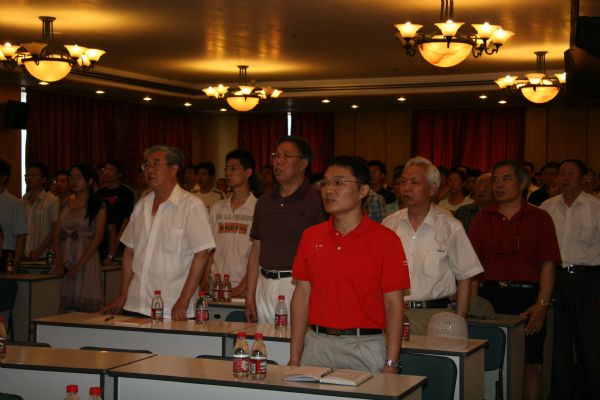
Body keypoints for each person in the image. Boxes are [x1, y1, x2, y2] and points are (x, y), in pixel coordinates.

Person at [290, 155, 409, 373]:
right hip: (317, 344)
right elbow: (301, 296)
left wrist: (391, 363)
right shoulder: (310, 236)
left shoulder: (387, 241)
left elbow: (394, 306)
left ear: (363, 190)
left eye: (338, 182)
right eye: (325, 183)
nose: (328, 190)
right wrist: (295, 356)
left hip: (365, 346)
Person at [469, 159, 560, 400]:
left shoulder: (540, 218)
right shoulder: (482, 218)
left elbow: (548, 264)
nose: (498, 185)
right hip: (489, 297)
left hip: (527, 298)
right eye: (495, 180)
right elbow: (472, 269)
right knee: (486, 364)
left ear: (523, 183)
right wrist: (472, 305)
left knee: (529, 364)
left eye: (506, 179)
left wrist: (542, 304)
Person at [100, 145, 215, 320]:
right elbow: (130, 251)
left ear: (173, 170)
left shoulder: (191, 205)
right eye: (146, 165)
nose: (149, 170)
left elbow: (202, 254)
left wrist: (183, 300)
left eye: (156, 164)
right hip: (136, 303)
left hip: (173, 307)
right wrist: (123, 295)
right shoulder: (141, 205)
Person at [383, 157, 483, 334]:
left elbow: (465, 277)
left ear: (432, 188)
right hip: (393, 313)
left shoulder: (450, 226)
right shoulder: (389, 224)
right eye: (403, 182)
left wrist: (458, 322)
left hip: (437, 315)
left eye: (414, 182)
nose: (406, 188)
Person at [245, 135, 326, 323]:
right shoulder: (264, 201)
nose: (278, 161)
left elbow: (322, 254)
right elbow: (256, 249)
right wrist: (249, 295)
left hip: (297, 286)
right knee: (264, 339)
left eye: (286, 156)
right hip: (264, 285)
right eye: (275, 155)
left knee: (296, 340)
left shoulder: (316, 200)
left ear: (303, 163)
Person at [540, 159, 600, 399]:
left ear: (584, 178)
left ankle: (592, 391)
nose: (564, 177)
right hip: (555, 278)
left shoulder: (596, 207)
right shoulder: (547, 207)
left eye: (570, 173)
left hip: (589, 280)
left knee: (590, 340)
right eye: (561, 173)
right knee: (558, 339)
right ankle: (560, 392)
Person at [205, 149, 258, 297]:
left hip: (244, 287)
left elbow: (259, 253)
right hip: (215, 285)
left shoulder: (258, 207)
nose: (228, 173)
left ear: (248, 172)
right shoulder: (217, 207)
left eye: (233, 168)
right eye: (226, 168)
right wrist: (204, 279)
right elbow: (209, 249)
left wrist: (242, 287)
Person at [53, 164, 106, 312]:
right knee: (64, 302)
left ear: (89, 181)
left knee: (86, 304)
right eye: (71, 178)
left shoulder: (97, 205)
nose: (74, 181)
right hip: (66, 254)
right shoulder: (65, 204)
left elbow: (98, 237)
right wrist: (58, 261)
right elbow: (56, 235)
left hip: (87, 257)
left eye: (78, 178)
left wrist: (79, 266)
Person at [96, 160, 135, 265]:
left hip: (119, 235)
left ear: (119, 174)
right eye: (105, 169)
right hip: (102, 236)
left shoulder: (126, 192)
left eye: (110, 170)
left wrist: (119, 237)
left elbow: (128, 217)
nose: (106, 172)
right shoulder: (99, 193)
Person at [21, 162, 60, 260]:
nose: (29, 178)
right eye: (27, 175)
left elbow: (55, 229)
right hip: (22, 257)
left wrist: (39, 250)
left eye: (33, 175)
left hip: (44, 256)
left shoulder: (52, 201)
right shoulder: (21, 202)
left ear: (43, 179)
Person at [0, 159, 27, 271]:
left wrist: (15, 265)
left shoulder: (14, 203)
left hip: (5, 255)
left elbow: (21, 235)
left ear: (4, 177)